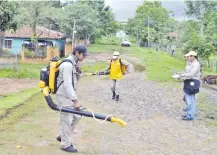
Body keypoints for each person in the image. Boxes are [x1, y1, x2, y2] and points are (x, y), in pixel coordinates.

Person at [55, 44, 89, 153]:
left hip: (69, 94)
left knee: (78, 115)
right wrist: (75, 100)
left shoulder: (74, 64)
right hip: (64, 96)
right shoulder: (67, 65)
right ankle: (66, 144)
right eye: (83, 55)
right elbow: (67, 84)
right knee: (67, 119)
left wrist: (79, 72)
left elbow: (75, 80)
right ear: (77, 53)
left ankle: (63, 135)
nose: (84, 57)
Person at [178, 51, 201, 120]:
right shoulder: (191, 63)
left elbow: (191, 74)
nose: (187, 58)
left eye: (189, 56)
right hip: (189, 82)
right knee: (189, 98)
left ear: (193, 56)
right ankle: (189, 113)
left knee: (190, 99)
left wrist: (181, 75)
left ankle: (190, 115)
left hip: (192, 82)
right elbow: (187, 73)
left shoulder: (196, 64)